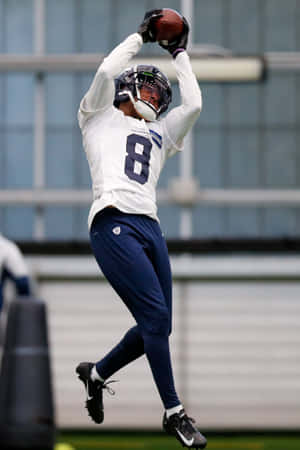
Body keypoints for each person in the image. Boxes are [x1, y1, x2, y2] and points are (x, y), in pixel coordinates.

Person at [76, 9, 206, 449]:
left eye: (158, 87)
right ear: (127, 90)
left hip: (149, 225)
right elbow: (106, 69)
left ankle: (96, 374)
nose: (153, 91)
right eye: (147, 83)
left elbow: (195, 104)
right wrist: (140, 37)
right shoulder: (96, 115)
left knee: (158, 324)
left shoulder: (160, 135)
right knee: (154, 317)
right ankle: (174, 413)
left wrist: (180, 52)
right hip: (112, 222)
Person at [0, 233, 32, 314]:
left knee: (24, 292)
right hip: (18, 274)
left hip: (20, 276)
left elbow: (22, 278)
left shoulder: (7, 247)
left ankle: (25, 314)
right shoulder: (8, 245)